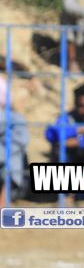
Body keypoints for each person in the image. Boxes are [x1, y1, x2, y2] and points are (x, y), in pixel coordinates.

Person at [1, 77, 30, 205]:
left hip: (8, 168)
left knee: (12, 156)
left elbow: (21, 142)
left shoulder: (15, 118)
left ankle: (3, 203)